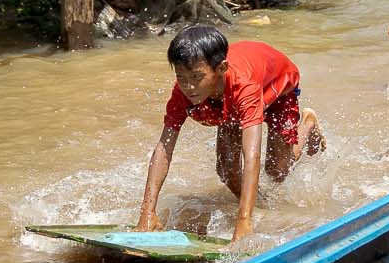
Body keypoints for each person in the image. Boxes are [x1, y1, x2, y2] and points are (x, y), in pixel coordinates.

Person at [136, 26, 324, 242]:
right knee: (226, 169)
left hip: (277, 84)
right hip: (228, 96)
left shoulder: (244, 87)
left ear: (221, 68)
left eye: (197, 77)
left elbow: (251, 154)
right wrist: (147, 213)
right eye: (181, 77)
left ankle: (307, 124)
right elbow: (164, 146)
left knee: (277, 172)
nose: (188, 86)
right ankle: (258, 203)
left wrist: (244, 221)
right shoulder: (183, 92)